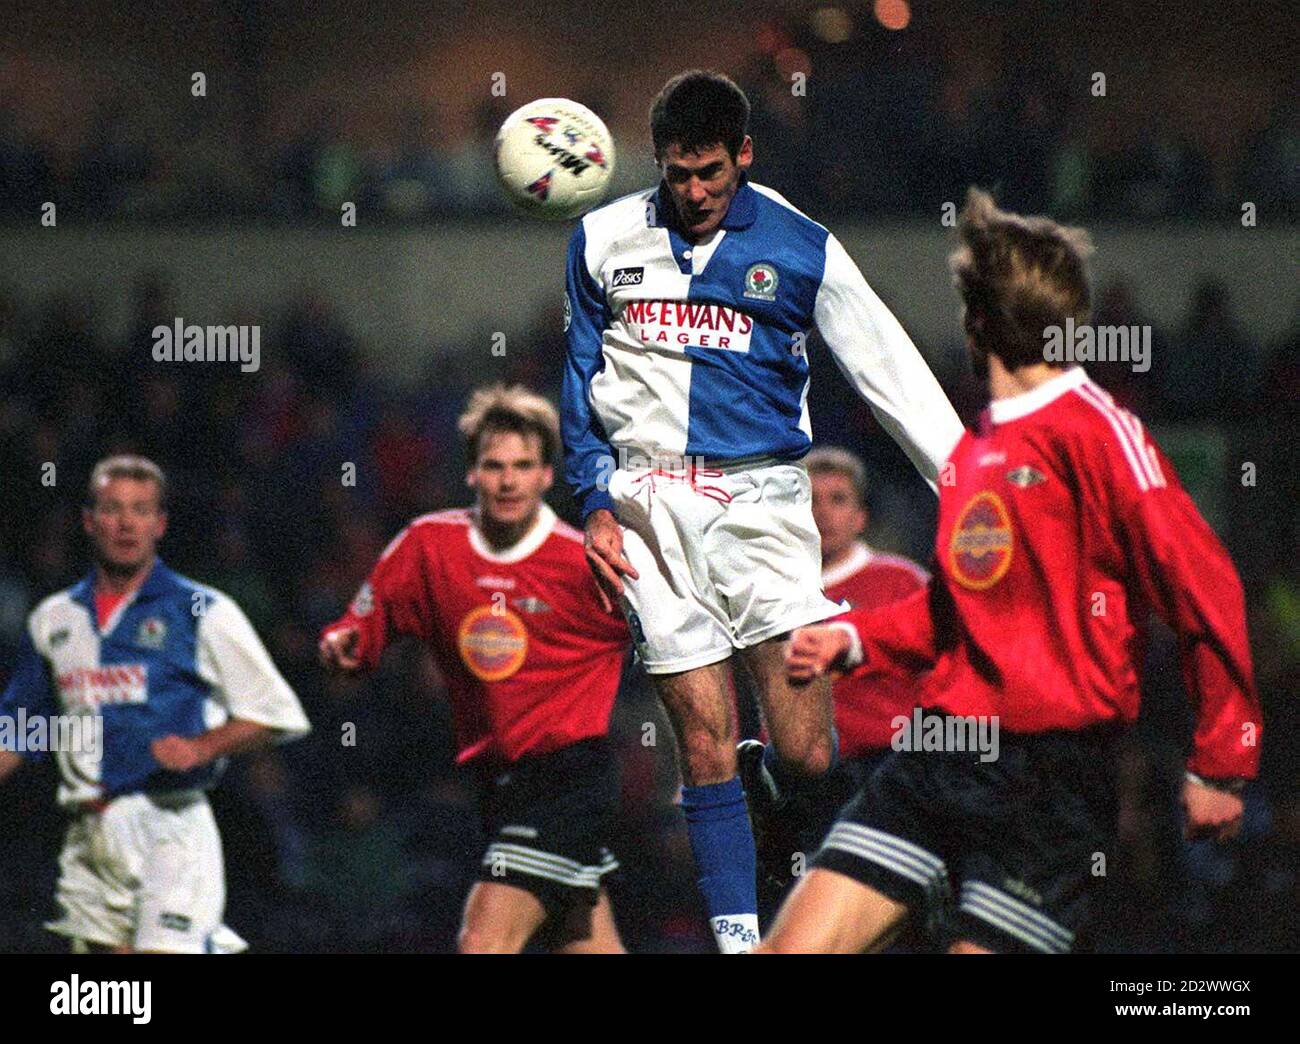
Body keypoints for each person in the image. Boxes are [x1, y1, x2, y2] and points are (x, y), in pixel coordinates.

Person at [763, 189, 1262, 953]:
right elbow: (958, 608)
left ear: (978, 324)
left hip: (1049, 784)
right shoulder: (980, 448)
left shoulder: (1100, 436)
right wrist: (855, 641)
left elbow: (1206, 586)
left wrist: (1222, 761)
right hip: (938, 758)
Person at [562, 69, 963, 951]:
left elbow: (885, 366)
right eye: (678, 173)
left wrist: (967, 484)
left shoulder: (801, 243)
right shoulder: (599, 241)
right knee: (703, 744)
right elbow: (579, 385)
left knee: (810, 753)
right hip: (648, 504)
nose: (696, 191)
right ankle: (741, 943)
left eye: (711, 171)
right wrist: (593, 498)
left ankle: (813, 835)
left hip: (764, 505)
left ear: (744, 154)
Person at [319, 384, 630, 953]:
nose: (508, 481)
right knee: (584, 942)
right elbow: (365, 623)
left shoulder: (582, 564)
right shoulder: (430, 545)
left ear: (545, 476)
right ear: (471, 473)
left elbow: (666, 641)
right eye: (493, 466)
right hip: (495, 784)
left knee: (482, 941)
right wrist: (345, 643)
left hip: (568, 779)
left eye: (523, 466)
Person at [0, 455, 311, 953]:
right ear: (89, 521)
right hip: (89, 833)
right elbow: (21, 731)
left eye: (141, 510)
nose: (126, 523)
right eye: (113, 509)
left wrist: (202, 747)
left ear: (160, 524)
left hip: (170, 825)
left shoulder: (202, 610)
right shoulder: (53, 619)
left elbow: (276, 713)